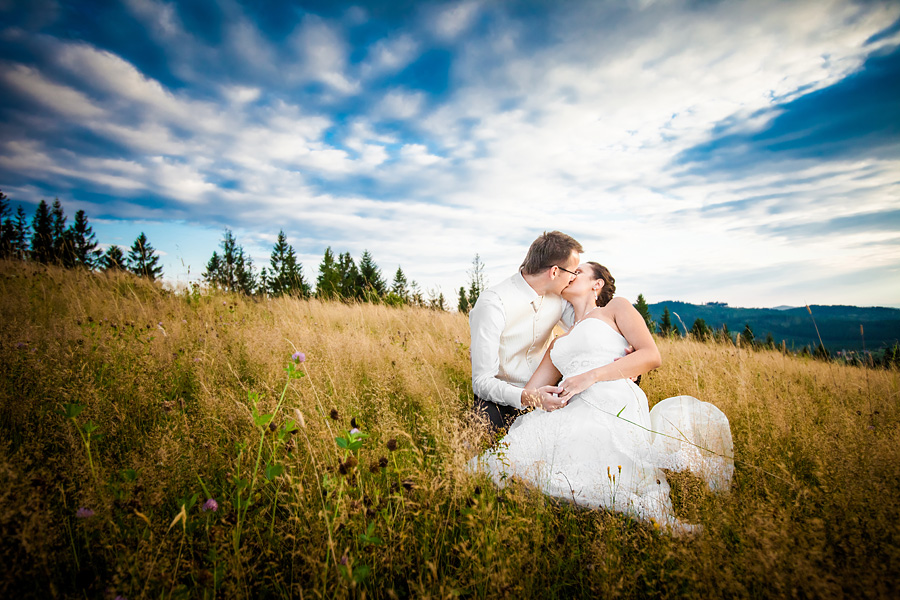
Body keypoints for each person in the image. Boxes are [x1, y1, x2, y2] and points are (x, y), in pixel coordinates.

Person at [469, 261, 734, 533]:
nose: (571, 275)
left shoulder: (615, 309)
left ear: (597, 284)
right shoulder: (558, 342)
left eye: (578, 272)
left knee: (599, 468)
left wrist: (592, 376)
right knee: (503, 465)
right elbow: (532, 390)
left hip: (612, 398)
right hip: (570, 406)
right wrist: (538, 397)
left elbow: (651, 355)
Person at [469, 231, 582, 435]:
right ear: (554, 272)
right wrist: (531, 397)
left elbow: (585, 327)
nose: (574, 279)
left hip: (550, 392)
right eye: (573, 272)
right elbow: (481, 382)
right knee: (479, 445)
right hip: (501, 399)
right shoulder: (493, 303)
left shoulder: (560, 298)